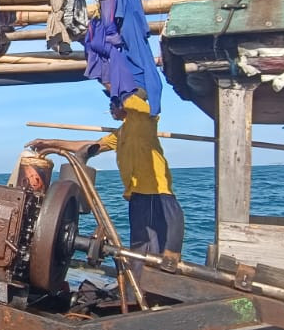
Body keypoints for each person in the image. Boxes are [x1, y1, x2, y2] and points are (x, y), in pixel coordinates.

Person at [27, 88, 184, 264]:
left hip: (154, 192)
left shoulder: (143, 118)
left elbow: (126, 93)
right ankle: (137, 287)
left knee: (158, 254)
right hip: (137, 197)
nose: (110, 107)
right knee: (139, 251)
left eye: (113, 103)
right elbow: (91, 146)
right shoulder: (121, 133)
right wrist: (51, 143)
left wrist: (109, 74)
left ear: (125, 104)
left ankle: (160, 277)